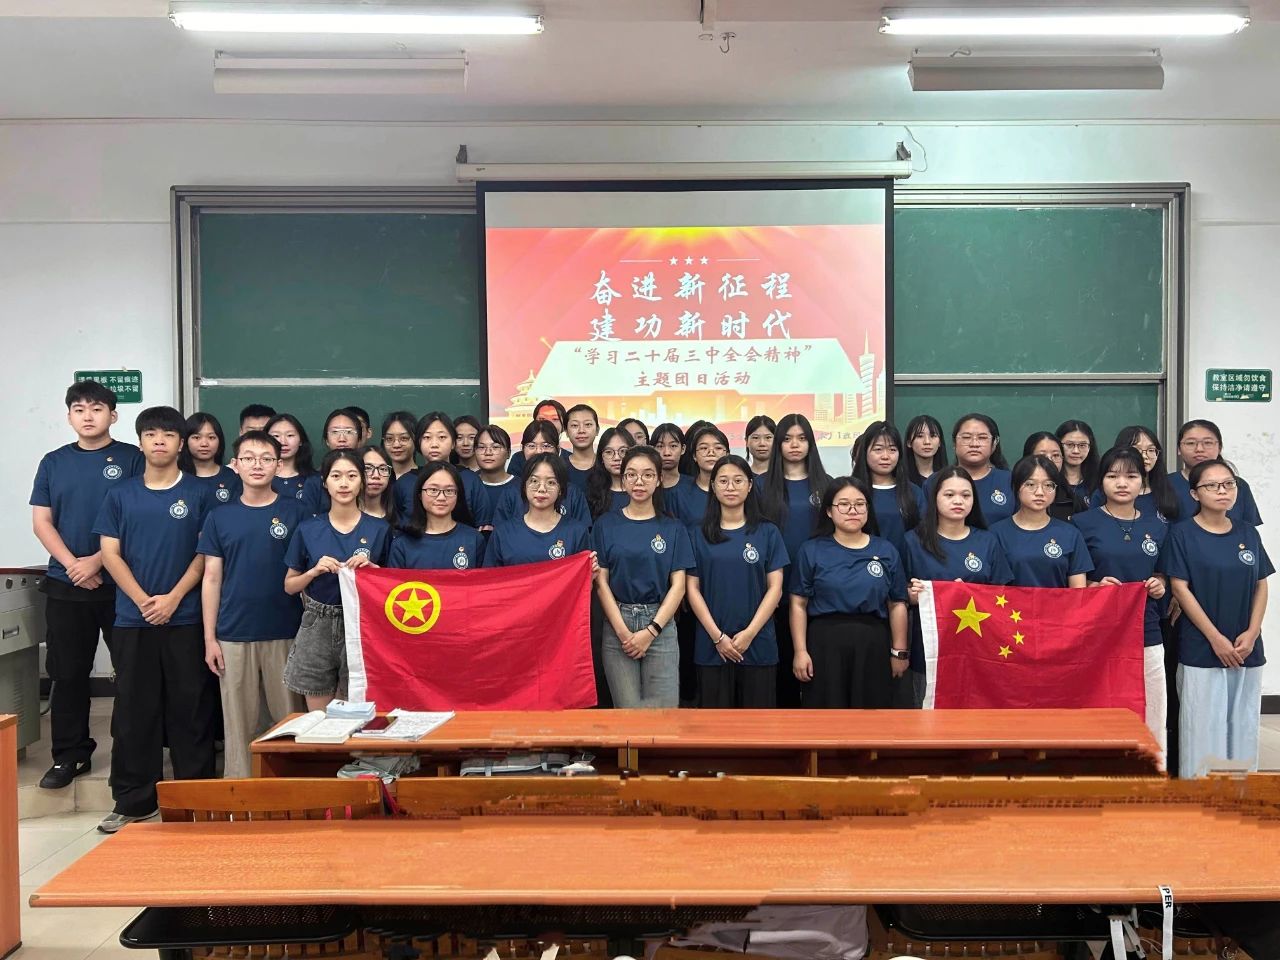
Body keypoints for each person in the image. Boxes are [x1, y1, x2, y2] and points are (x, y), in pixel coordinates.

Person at [93, 405, 215, 833]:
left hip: (186, 618)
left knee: (191, 710)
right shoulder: (120, 494)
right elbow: (110, 553)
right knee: (133, 712)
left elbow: (206, 553)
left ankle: (194, 799)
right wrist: (145, 600)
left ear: (181, 444)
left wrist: (174, 597)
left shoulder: (199, 494)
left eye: (168, 434)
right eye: (151, 434)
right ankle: (133, 800)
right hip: (133, 619)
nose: (159, 441)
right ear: (141, 441)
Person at [29, 380, 144, 790]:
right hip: (65, 584)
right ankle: (70, 755)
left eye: (96, 408)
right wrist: (73, 565)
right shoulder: (53, 462)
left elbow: (139, 517)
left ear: (113, 415)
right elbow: (42, 521)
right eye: (79, 409)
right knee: (67, 674)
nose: (88, 416)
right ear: (69, 417)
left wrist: (98, 560)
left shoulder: (133, 459)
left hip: (122, 586)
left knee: (132, 673)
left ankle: (131, 755)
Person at [197, 430, 306, 780]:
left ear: (278, 465)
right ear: (235, 465)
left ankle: (290, 793)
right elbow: (211, 578)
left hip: (286, 631)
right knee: (238, 724)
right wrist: (210, 638)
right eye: (248, 458)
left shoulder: (297, 512)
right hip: (233, 634)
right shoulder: (219, 516)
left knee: (289, 722)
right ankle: (241, 794)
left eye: (266, 458)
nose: (257, 465)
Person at [1164, 459, 1272, 779]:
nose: (1222, 491)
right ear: (1195, 494)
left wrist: (1253, 632)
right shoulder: (1182, 534)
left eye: (1228, 484)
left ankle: (1239, 792)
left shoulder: (1247, 532)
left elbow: (1262, 584)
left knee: (1243, 725)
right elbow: (1180, 589)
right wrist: (1215, 639)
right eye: (1212, 485)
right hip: (1202, 645)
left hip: (1246, 646)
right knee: (1202, 728)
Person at [1072, 446, 1170, 762]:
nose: (1122, 483)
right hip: (1098, 632)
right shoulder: (1081, 523)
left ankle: (1152, 770)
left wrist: (1160, 585)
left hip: (1146, 629)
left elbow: (1164, 573)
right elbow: (1072, 580)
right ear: (1101, 481)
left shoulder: (1157, 526)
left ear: (1143, 481)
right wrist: (1094, 586)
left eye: (1131, 476)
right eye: (1113, 476)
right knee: (1100, 704)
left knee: (1152, 705)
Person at [283, 449, 390, 710]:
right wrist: (313, 571)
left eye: (352, 476)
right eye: (336, 476)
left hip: (363, 624)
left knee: (356, 713)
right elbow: (289, 586)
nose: (344, 483)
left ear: (362, 481)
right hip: (317, 623)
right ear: (325, 482)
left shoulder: (380, 529)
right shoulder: (308, 528)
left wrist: (373, 569)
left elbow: (393, 587)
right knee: (319, 718)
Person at [790, 476, 909, 709]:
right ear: (829, 511)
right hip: (825, 643)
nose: (852, 510)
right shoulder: (811, 550)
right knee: (827, 714)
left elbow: (897, 604)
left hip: (873, 642)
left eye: (860, 504)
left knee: (872, 715)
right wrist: (800, 651)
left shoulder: (885, 550)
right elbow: (798, 604)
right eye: (843, 504)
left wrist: (899, 652)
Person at [593, 446, 693, 708]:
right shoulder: (605, 525)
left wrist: (651, 631)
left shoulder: (673, 527)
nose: (639, 481)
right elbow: (601, 583)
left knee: (663, 714)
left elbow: (679, 586)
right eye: (632, 474)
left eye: (648, 475)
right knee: (628, 714)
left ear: (659, 480)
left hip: (660, 623)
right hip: (618, 625)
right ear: (623, 479)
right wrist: (623, 633)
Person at [904, 465, 1012, 708]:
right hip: (930, 649)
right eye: (949, 494)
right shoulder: (913, 541)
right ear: (934, 498)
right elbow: (899, 595)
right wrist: (913, 596)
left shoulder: (987, 541)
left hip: (980, 648)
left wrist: (968, 595)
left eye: (965, 495)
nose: (958, 501)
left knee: (977, 717)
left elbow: (1002, 596)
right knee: (929, 717)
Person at [686, 455, 787, 708]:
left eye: (738, 480)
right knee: (715, 726)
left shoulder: (768, 532)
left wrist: (750, 634)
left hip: (758, 643)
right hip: (712, 645)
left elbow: (775, 588)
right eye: (723, 481)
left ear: (750, 485)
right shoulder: (697, 534)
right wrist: (718, 637)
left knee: (758, 725)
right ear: (713, 486)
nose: (730, 487)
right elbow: (692, 589)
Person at [759, 413, 831, 707]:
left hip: (819, 590)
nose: (795, 445)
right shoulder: (760, 486)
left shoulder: (827, 485)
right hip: (773, 591)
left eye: (802, 439)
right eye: (787, 439)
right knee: (782, 674)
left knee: (818, 672)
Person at [992, 455, 1092, 588]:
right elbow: (990, 590)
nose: (1040, 492)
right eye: (1030, 484)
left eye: (1048, 485)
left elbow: (1078, 592)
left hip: (1059, 602)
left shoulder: (1071, 534)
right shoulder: (996, 533)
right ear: (1016, 486)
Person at [485, 453, 591, 567]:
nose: (541, 489)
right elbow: (490, 576)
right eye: (534, 481)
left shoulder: (577, 533)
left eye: (551, 482)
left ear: (560, 489)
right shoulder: (503, 533)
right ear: (524, 486)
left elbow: (583, 575)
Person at [394, 412, 492, 529]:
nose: (434, 444)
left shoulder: (470, 479)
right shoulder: (405, 482)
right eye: (427, 437)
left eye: (442, 437)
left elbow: (484, 527)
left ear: (453, 443)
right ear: (418, 443)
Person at [388, 461, 485, 570]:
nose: (441, 497)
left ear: (458, 495)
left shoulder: (474, 540)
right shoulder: (402, 544)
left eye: (449, 490)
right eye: (433, 490)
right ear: (419, 495)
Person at [492, 421, 591, 526]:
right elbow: (501, 532)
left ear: (558, 450)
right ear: (522, 449)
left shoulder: (573, 494)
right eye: (531, 446)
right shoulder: (510, 493)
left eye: (546, 445)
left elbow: (583, 532)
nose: (539, 451)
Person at [1168, 419, 1263, 526]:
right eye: (1191, 443)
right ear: (1179, 449)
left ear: (1220, 448)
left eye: (1208, 443)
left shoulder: (1238, 485)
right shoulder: (1164, 485)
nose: (1199, 449)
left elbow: (1249, 531)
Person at [851, 421, 923, 559]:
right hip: (860, 564)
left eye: (892, 450)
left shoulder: (913, 492)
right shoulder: (851, 491)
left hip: (905, 565)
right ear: (865, 452)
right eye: (878, 449)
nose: (886, 456)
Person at [932, 414, 1015, 524]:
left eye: (982, 438)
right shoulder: (935, 481)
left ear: (994, 443)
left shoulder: (1011, 481)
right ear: (954, 443)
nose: (974, 444)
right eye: (966, 437)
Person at [1098, 425, 1180, 523]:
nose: (1144, 456)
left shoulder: (1169, 490)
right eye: (1136, 450)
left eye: (1151, 450)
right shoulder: (1104, 493)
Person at [298, 409, 362, 515]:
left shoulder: (372, 477)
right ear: (327, 440)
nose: (342, 438)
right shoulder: (314, 482)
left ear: (359, 439)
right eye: (335, 432)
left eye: (349, 432)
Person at [178, 412, 239, 507]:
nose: (204, 444)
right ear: (185, 441)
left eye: (211, 437)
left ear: (220, 441)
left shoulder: (231, 477)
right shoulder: (176, 477)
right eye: (196, 437)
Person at [1022, 431, 1085, 521]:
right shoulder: (1014, 496)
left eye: (1056, 455)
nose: (1050, 462)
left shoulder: (1071, 500)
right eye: (1042, 456)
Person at [506, 398, 568, 478]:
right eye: (542, 419)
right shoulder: (518, 458)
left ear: (564, 426)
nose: (548, 423)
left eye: (555, 419)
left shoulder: (570, 460)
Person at [586, 427, 635, 519]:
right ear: (601, 458)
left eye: (623, 451)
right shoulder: (593, 492)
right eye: (609, 452)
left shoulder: (643, 490)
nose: (616, 458)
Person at [265, 413, 313, 501]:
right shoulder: (257, 477)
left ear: (301, 440)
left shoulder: (315, 480)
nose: (283, 442)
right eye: (276, 436)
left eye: (290, 435)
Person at [1056, 419, 1099, 503]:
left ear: (1090, 447)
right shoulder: (1049, 480)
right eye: (1069, 444)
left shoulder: (1100, 481)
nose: (1076, 451)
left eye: (1082, 445)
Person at [651, 422, 694, 505]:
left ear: (683, 449)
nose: (667, 453)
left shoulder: (694, 486)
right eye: (660, 446)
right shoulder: (645, 486)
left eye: (673, 446)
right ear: (652, 449)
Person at [359, 445, 398, 528]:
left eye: (383, 469)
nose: (376, 475)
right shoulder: (345, 518)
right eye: (367, 468)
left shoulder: (399, 518)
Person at [904, 414, 947, 488]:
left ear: (940, 442)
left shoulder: (948, 478)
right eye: (920, 436)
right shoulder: (900, 479)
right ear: (909, 443)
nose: (927, 442)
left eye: (933, 436)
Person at [565, 404, 600, 491]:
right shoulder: (558, 466)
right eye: (574, 425)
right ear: (566, 432)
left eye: (588, 424)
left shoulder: (606, 464)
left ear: (597, 430)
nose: (581, 430)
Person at [380, 411, 418, 480]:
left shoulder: (427, 477)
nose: (396, 445)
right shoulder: (378, 478)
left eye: (404, 438)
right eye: (389, 439)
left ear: (416, 439)